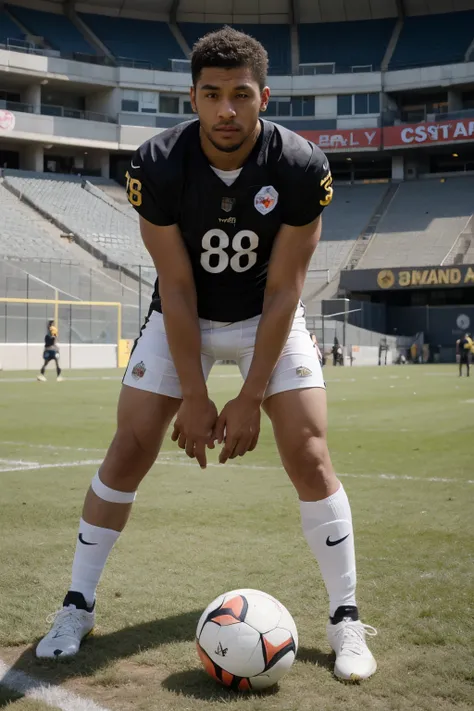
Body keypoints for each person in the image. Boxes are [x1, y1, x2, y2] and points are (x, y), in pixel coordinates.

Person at [36, 27, 376, 681]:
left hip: (264, 317)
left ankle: (346, 617)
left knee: (309, 452)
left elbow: (284, 289)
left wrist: (250, 395)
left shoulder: (302, 166)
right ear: (192, 97)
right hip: (182, 316)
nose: (226, 110)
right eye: (212, 94)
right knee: (130, 446)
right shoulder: (159, 163)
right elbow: (178, 285)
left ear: (263, 98)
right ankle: (77, 603)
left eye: (240, 95)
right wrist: (193, 393)